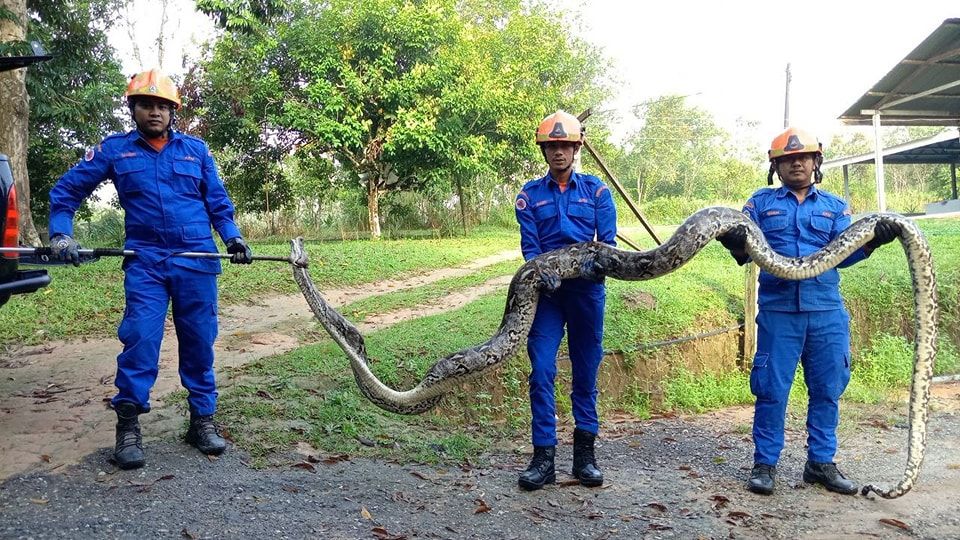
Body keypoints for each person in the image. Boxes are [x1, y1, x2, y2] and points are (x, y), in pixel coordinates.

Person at [48, 69, 253, 470]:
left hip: (197, 259)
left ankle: (202, 421)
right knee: (140, 339)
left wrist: (233, 238)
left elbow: (218, 203)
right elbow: (66, 190)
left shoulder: (196, 151)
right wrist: (61, 234)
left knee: (199, 341)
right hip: (145, 262)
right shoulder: (115, 151)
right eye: (146, 104)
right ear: (134, 109)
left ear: (173, 111)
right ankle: (128, 428)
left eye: (162, 105)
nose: (154, 112)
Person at [717, 127, 900, 495]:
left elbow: (843, 255)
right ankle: (765, 465)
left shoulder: (835, 206)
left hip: (826, 311)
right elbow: (745, 248)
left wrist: (871, 244)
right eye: (787, 159)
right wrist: (734, 244)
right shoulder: (758, 203)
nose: (796, 163)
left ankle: (820, 462)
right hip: (779, 311)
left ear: (816, 162)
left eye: (803, 157)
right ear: (776, 167)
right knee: (771, 389)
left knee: (828, 388)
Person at [513, 110, 617, 490]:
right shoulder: (528, 195)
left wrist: (594, 269)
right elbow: (531, 250)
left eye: (565, 145)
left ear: (577, 148)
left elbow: (608, 246)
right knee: (541, 370)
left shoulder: (598, 193)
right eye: (552, 146)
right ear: (544, 150)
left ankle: (585, 457)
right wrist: (542, 273)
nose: (559, 151)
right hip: (547, 295)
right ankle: (543, 458)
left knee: (586, 372)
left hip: (587, 293)